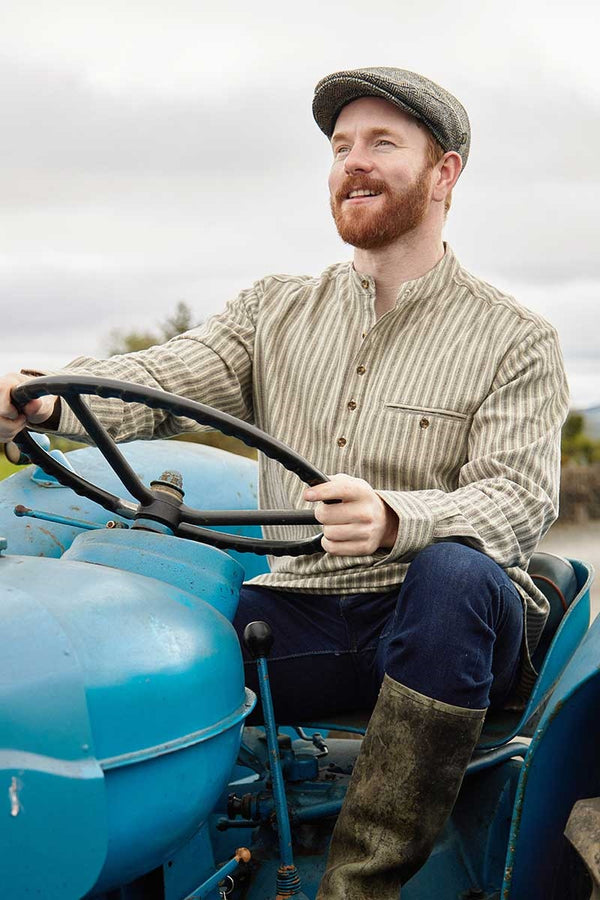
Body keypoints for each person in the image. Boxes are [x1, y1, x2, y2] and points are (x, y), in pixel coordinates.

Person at [0, 67, 568, 898]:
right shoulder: (274, 310)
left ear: (445, 173)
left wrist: (392, 517)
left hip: (442, 622)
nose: (353, 163)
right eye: (341, 147)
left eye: (382, 143)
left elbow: (516, 499)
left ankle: (359, 883)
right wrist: (49, 400)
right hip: (300, 614)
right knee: (162, 630)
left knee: (456, 574)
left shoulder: (516, 337)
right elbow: (165, 377)